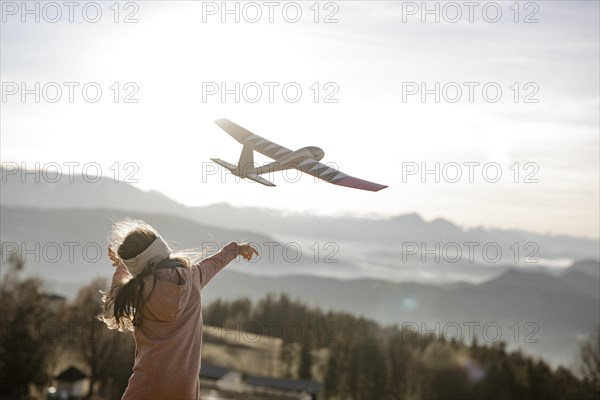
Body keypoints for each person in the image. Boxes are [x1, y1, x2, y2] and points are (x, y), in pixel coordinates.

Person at [99, 219, 258, 400]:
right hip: (184, 390)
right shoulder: (195, 276)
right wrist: (237, 249)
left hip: (145, 386)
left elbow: (112, 304)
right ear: (162, 248)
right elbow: (215, 262)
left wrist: (121, 270)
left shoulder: (138, 290)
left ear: (136, 268)